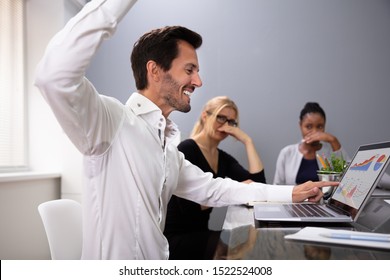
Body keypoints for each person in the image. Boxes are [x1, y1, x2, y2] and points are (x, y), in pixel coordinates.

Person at [35, 0, 337, 260]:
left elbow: (218, 188)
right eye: (189, 69)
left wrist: (292, 193)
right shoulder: (110, 122)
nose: (198, 82)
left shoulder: (166, 147)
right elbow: (54, 76)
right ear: (155, 70)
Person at [164, 96, 266, 259]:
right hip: (176, 238)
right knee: (235, 246)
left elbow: (258, 184)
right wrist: (233, 193)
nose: (225, 126)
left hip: (201, 234)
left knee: (249, 240)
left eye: (231, 122)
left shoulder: (222, 158)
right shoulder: (186, 149)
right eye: (221, 118)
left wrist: (247, 141)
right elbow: (189, 207)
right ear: (205, 116)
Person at [273, 102, 349, 185]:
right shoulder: (287, 153)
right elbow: (277, 187)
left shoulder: (331, 152)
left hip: (324, 198)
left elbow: (347, 177)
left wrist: (333, 140)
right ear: (300, 125)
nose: (315, 132)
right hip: (294, 198)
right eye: (309, 126)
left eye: (320, 126)